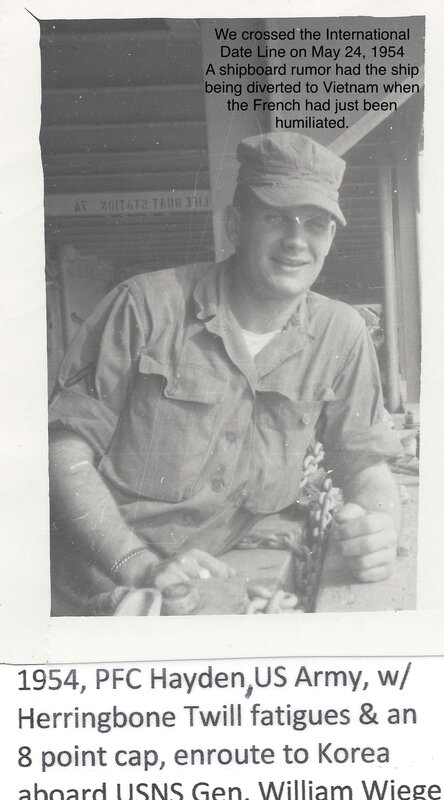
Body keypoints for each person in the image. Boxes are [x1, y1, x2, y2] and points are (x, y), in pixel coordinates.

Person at [48, 132, 402, 614]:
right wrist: (138, 565)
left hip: (211, 576)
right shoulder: (144, 308)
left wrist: (380, 526)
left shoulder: (340, 334)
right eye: (276, 217)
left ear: (330, 238)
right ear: (236, 224)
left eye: (316, 224)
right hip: (94, 582)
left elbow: (366, 462)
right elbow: (63, 453)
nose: (297, 241)